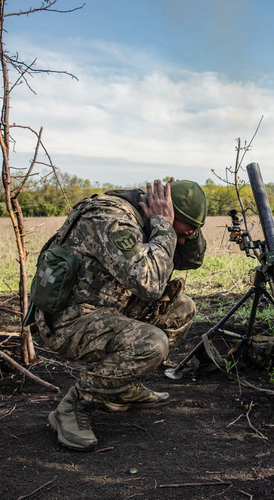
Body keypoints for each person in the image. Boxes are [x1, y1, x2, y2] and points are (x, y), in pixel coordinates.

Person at [32, 178, 207, 452]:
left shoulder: (151, 220)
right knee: (151, 343)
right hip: (70, 318)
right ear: (161, 213)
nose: (180, 240)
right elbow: (149, 284)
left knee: (181, 308)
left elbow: (191, 261)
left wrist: (187, 233)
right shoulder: (111, 218)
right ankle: (74, 405)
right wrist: (163, 225)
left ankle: (122, 387)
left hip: (108, 307)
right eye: (180, 233)